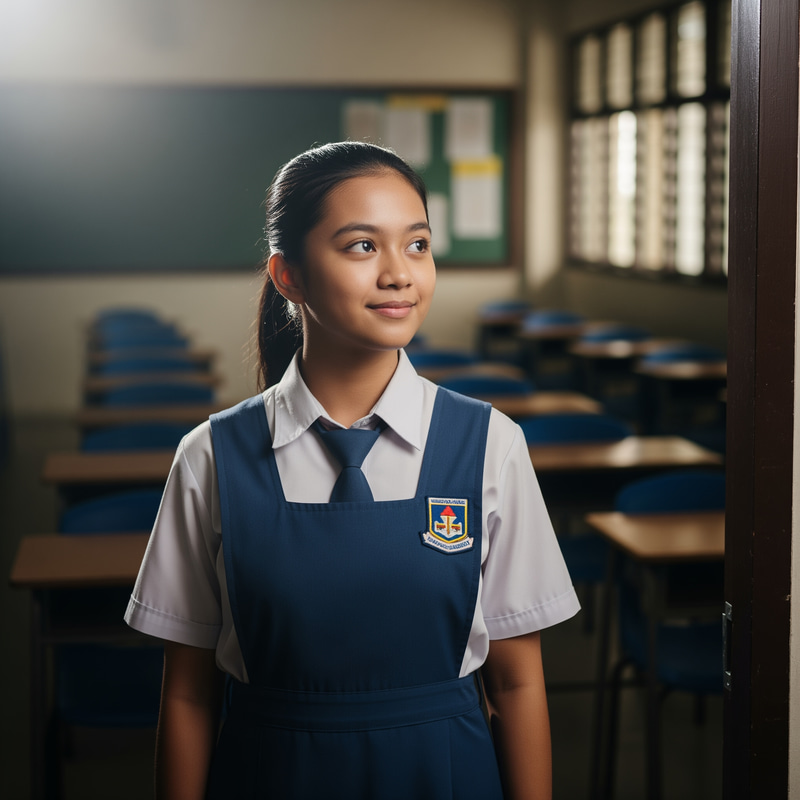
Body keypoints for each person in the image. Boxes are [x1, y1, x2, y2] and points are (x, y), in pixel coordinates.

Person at [125, 141, 580, 800]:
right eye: (362, 246)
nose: (399, 273)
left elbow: (517, 682)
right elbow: (190, 694)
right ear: (289, 277)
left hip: (446, 774)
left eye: (417, 245)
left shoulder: (491, 445)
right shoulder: (211, 457)